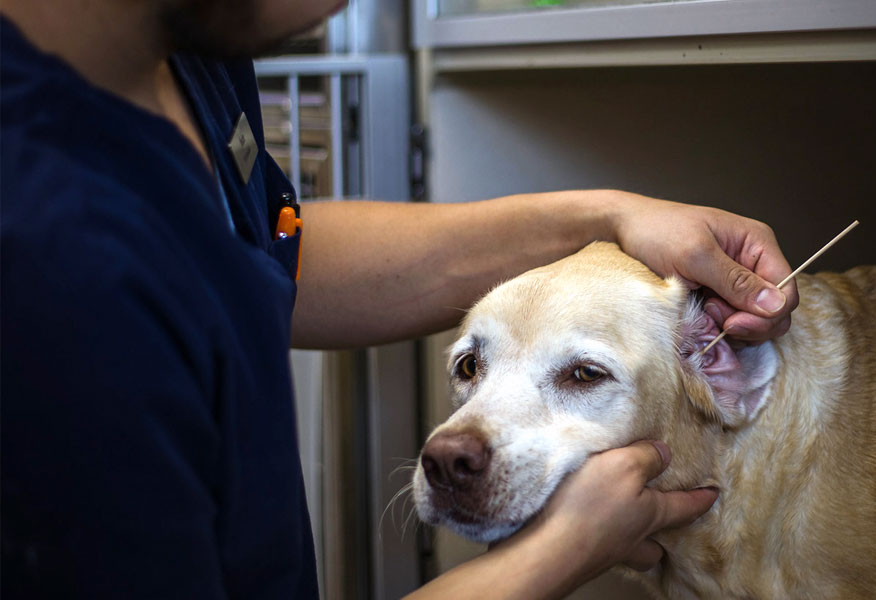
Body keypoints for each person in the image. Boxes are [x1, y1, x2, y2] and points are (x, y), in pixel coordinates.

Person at [0, 0, 799, 598]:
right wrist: (558, 552)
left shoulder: (184, 50)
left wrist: (607, 215)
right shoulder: (49, 259)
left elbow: (258, 252)